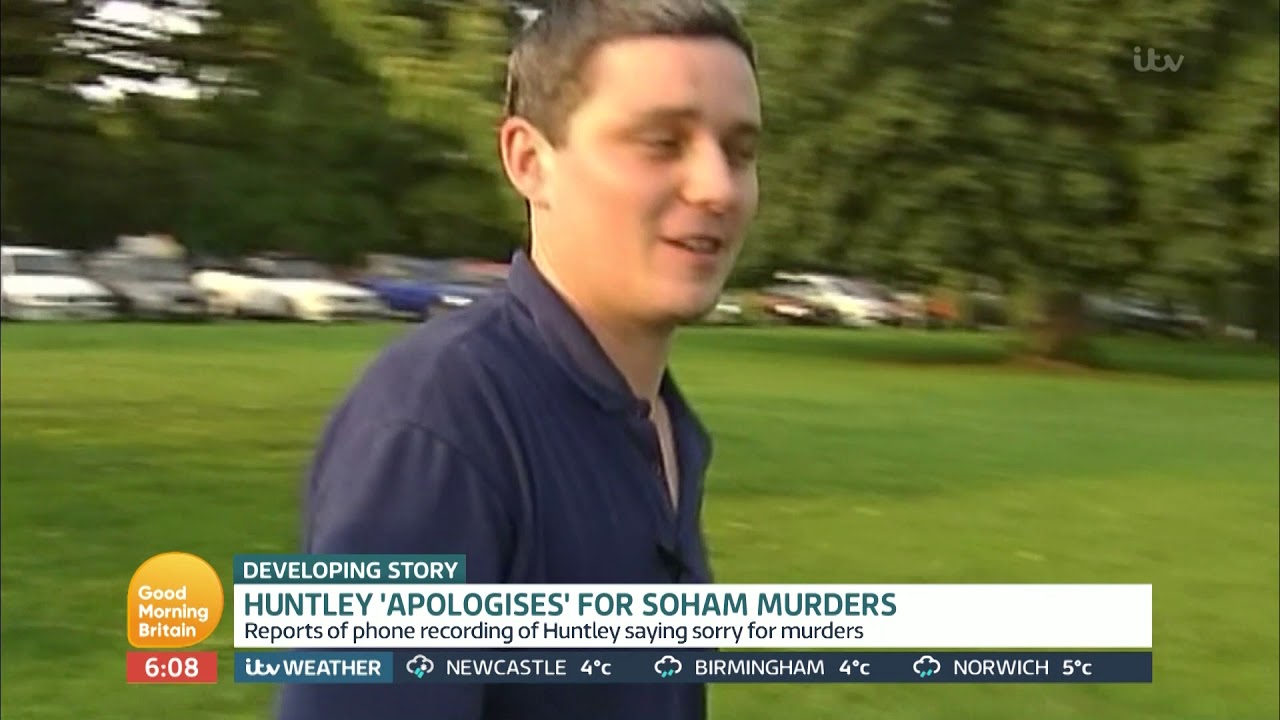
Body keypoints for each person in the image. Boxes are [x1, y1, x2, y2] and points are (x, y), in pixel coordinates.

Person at [275, 0, 761, 717]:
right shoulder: (435, 427)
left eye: (740, 151)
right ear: (531, 162)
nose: (718, 187)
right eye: (662, 142)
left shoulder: (666, 425)